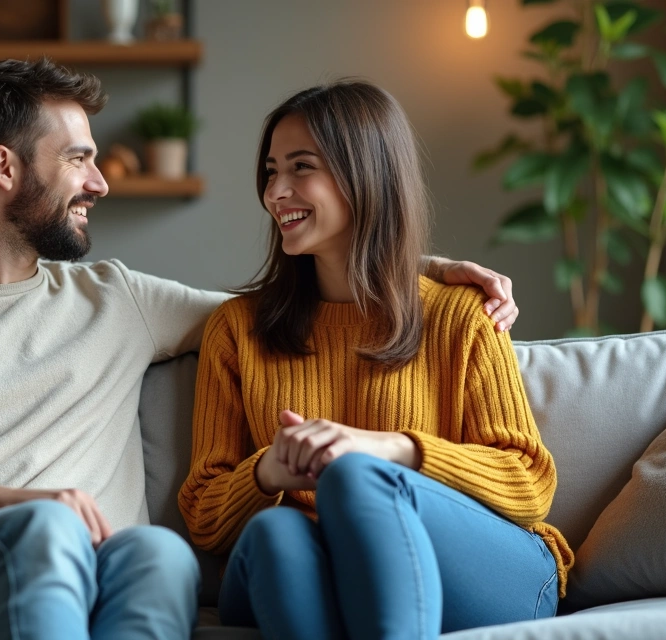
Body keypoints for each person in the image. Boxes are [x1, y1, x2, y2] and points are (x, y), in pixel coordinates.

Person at [0, 58, 524, 640]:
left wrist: (420, 269)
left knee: (163, 554)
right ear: (6, 168)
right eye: (78, 159)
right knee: (42, 532)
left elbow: (289, 303)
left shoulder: (116, 300)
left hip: (103, 558)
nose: (101, 182)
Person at [179, 81, 574, 640]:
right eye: (270, 172)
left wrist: (388, 450)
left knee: (356, 476)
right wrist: (271, 470)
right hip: (320, 567)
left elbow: (530, 482)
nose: (276, 192)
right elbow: (202, 512)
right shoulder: (238, 330)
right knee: (275, 537)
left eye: (300, 168)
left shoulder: (460, 316)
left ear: (365, 175)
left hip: (486, 571)